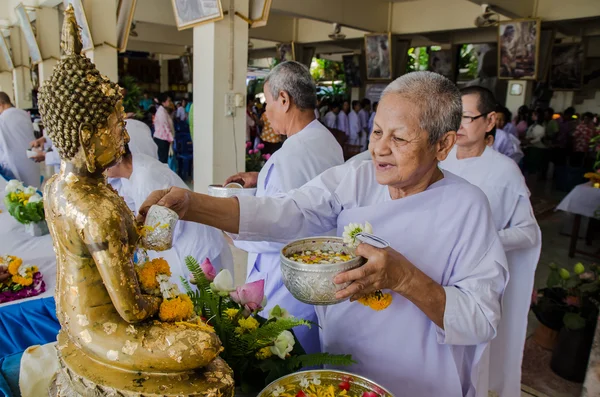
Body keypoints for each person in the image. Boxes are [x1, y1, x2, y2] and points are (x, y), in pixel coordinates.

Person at [139, 72, 508, 397]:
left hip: (417, 378)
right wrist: (191, 204)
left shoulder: (468, 207)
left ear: (442, 145)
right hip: (341, 368)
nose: (379, 148)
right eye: (377, 132)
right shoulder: (358, 177)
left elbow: (481, 317)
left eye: (400, 139)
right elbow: (290, 210)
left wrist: (404, 277)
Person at [223, 61, 344, 354]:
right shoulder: (326, 141)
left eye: (268, 103)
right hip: (320, 276)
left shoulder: (290, 155)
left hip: (285, 282)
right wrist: (260, 177)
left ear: (285, 100)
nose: (266, 112)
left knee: (283, 360)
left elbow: (280, 225)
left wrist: (232, 227)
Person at [440, 86, 541, 397]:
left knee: (474, 359)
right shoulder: (440, 160)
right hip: (440, 275)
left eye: (467, 117)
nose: (457, 125)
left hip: (477, 281)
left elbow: (528, 232)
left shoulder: (504, 170)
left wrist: (486, 238)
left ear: (491, 120)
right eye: (454, 117)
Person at [106, 146, 233, 283]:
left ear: (117, 157)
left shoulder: (147, 177)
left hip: (196, 249)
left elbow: (162, 230)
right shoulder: (130, 173)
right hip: (180, 246)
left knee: (208, 297)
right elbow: (132, 209)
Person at [0, 92, 41, 187]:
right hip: (31, 159)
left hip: (14, 164)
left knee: (21, 195)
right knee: (34, 192)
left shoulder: (2, 120)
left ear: (1, 104)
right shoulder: (23, 114)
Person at [524, 108, 547, 177]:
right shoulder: (532, 126)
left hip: (536, 149)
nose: (532, 116)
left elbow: (537, 139)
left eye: (534, 115)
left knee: (534, 168)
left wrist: (529, 141)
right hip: (530, 148)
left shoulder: (541, 127)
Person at [153, 93, 175, 163]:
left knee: (164, 159)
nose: (170, 102)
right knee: (163, 160)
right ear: (163, 102)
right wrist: (171, 139)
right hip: (162, 139)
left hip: (164, 138)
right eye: (168, 101)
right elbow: (165, 127)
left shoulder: (163, 111)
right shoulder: (161, 112)